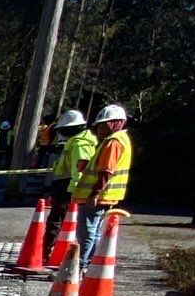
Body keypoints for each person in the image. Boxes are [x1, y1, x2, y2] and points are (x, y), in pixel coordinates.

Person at [73, 102, 132, 267]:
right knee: (93, 232)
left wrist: (94, 194)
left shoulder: (113, 142)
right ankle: (88, 265)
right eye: (99, 126)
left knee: (86, 233)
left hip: (98, 197)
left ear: (115, 123)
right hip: (105, 196)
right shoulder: (118, 139)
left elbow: (106, 171)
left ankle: (80, 266)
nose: (100, 129)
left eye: (104, 125)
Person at [46, 107, 93, 248]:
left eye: (63, 129)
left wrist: (73, 191)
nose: (61, 132)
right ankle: (48, 249)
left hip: (67, 189)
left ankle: (46, 250)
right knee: (57, 221)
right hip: (63, 187)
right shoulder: (74, 142)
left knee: (56, 221)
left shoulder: (80, 144)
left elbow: (79, 170)